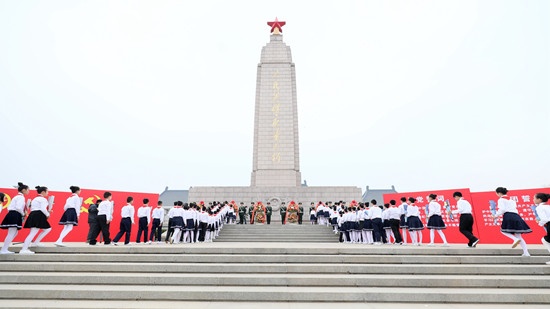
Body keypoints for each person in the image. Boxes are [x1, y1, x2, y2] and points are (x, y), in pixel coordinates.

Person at [492, 187, 531, 256]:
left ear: (499, 193)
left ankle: (514, 239)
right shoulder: (512, 200)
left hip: (508, 216)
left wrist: (495, 215)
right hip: (516, 216)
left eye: (496, 193)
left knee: (503, 231)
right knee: (519, 236)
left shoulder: (501, 200)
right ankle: (526, 252)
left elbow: (502, 209)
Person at [20, 186, 52, 254]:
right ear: (43, 192)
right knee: (33, 233)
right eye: (47, 191)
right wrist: (47, 214)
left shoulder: (35, 199)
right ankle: (24, 249)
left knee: (47, 229)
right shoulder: (43, 199)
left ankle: (36, 242)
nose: (48, 193)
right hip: (38, 215)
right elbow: (43, 209)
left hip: (34, 215)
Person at [1, 182, 29, 254]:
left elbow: (10, 207)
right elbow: (18, 207)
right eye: (27, 189)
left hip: (13, 214)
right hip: (15, 214)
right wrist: (23, 214)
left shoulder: (17, 197)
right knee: (11, 233)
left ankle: (5, 248)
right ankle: (4, 249)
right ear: (23, 190)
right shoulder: (20, 197)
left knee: (14, 232)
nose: (28, 191)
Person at [534, 193, 550, 264]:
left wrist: (539, 223)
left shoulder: (539, 208)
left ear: (539, 200)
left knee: (545, 240)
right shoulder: (548, 206)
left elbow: (544, 219)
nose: (533, 200)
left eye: (534, 198)